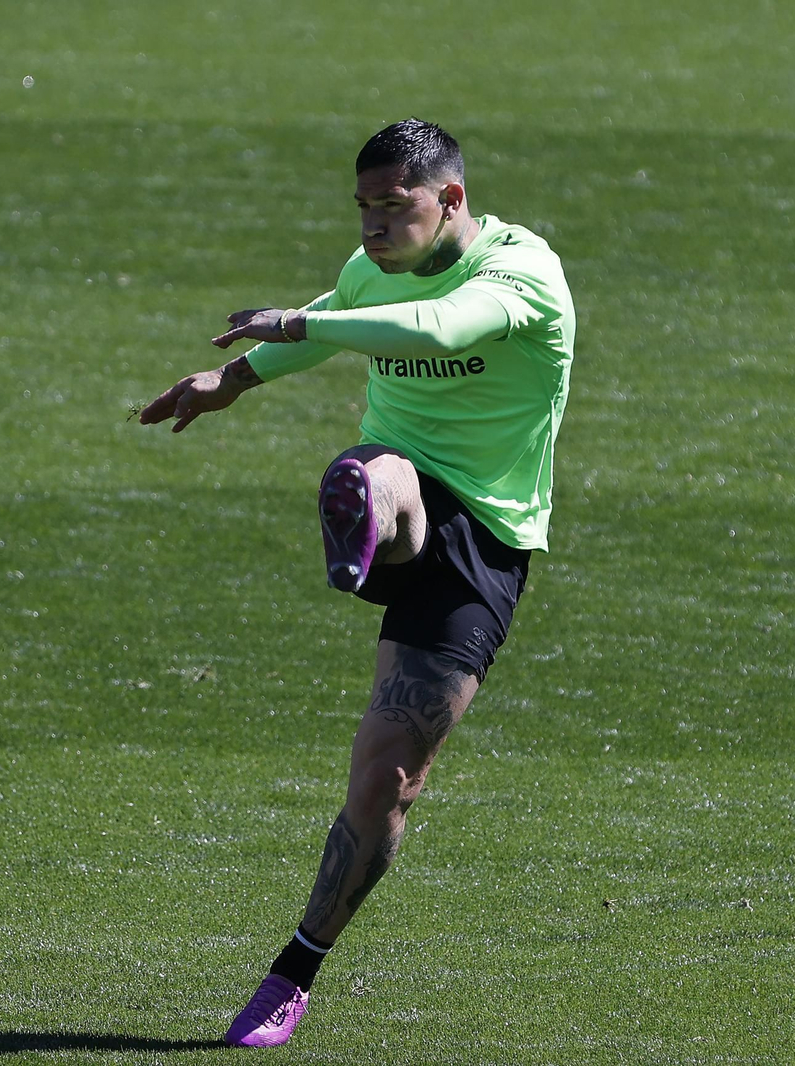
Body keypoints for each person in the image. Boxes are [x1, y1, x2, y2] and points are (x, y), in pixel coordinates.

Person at [140, 118, 575, 1047]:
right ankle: (368, 515)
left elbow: (437, 325)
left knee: (388, 782)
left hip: (489, 537)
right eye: (364, 208)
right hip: (406, 474)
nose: (375, 227)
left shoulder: (520, 273)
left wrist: (299, 323)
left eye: (395, 206)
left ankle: (295, 970)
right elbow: (344, 308)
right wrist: (236, 379)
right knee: (382, 467)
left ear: (449, 197)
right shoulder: (371, 267)